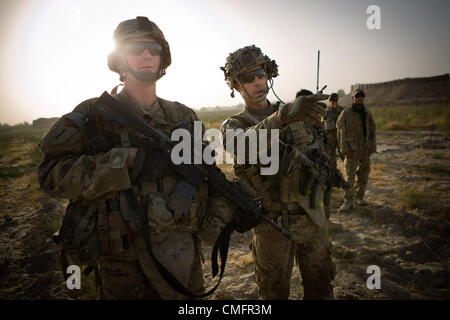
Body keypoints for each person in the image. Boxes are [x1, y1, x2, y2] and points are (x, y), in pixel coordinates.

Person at [37, 17, 256, 299]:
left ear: (162, 58)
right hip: (122, 268)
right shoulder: (93, 115)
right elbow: (49, 174)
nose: (146, 55)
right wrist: (124, 161)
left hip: (183, 262)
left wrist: (235, 205)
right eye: (136, 48)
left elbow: (204, 174)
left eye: (153, 49)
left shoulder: (183, 117)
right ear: (119, 58)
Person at [220, 45, 336, 299]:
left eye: (260, 73)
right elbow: (242, 145)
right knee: (273, 294)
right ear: (237, 87)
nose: (257, 81)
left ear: (268, 74)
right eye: (248, 78)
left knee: (321, 289)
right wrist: (280, 119)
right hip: (271, 223)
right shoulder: (235, 124)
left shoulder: (299, 112)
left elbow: (321, 150)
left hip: (312, 215)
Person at [336, 88, 376, 212]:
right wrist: (345, 149)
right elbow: (340, 131)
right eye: (357, 96)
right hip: (352, 150)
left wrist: (372, 146)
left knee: (364, 174)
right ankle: (348, 200)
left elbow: (372, 131)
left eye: (361, 96)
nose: (359, 98)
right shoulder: (347, 113)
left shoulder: (367, 113)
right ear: (352, 98)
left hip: (364, 149)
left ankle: (360, 197)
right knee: (350, 176)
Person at [323, 93, 344, 168]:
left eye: (335, 100)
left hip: (340, 135)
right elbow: (323, 123)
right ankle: (334, 172)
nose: (334, 102)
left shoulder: (342, 110)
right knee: (331, 155)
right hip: (330, 136)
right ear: (330, 100)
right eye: (332, 100)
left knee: (343, 154)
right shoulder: (326, 111)